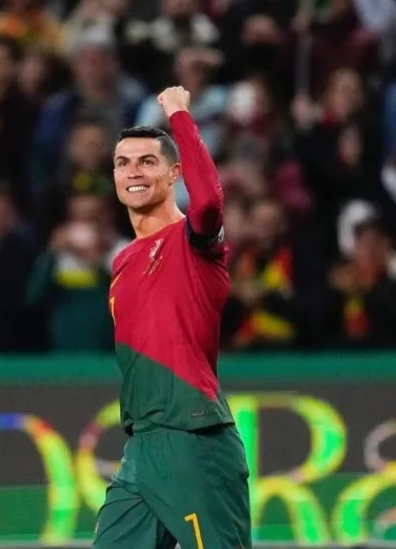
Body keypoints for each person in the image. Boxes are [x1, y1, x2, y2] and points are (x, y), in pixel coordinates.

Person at [93, 86, 250, 549]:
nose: (132, 172)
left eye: (147, 161)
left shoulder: (194, 242)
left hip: (194, 439)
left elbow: (207, 204)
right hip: (141, 447)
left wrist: (180, 115)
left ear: (173, 173)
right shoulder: (122, 263)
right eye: (122, 163)